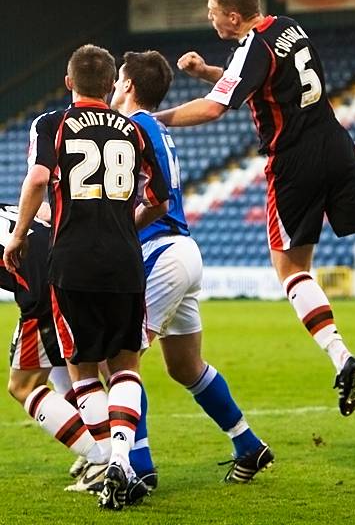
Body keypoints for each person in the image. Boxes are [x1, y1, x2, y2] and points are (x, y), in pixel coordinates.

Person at [152, 0, 355, 417]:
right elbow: (260, 80)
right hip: (336, 145)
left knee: (291, 269)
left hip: (293, 162)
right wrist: (209, 72)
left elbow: (214, 107)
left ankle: (341, 354)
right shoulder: (288, 28)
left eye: (212, 13)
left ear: (232, 16)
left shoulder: (251, 47)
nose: (210, 20)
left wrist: (152, 120)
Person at [3, 44, 169, 510]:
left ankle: (106, 463)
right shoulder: (134, 131)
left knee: (81, 370)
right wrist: (122, 225)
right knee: (126, 367)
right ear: (112, 82)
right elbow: (159, 199)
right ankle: (121, 460)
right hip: (124, 261)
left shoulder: (51, 123)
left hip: (71, 260)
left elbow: (38, 179)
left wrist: (17, 237)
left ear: (69, 80)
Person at [110, 49, 274, 483]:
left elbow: (150, 198)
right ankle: (248, 444)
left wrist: (117, 229)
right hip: (182, 251)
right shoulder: (154, 126)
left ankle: (139, 470)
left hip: (157, 252)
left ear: (127, 85)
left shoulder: (132, 129)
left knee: (120, 363)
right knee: (185, 366)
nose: (112, 87)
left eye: (117, 80)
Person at [0, 202, 110, 491]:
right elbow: (47, 211)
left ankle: (100, 458)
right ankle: (116, 453)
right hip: (79, 272)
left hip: (43, 295)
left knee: (22, 386)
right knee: (82, 374)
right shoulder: (8, 208)